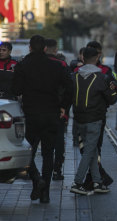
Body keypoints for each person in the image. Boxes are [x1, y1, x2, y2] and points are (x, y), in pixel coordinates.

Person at [11, 35, 74, 204]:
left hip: (31, 115)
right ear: (45, 48)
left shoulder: (22, 65)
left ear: (30, 48)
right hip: (51, 114)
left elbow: (16, 89)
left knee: (28, 152)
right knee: (48, 154)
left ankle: (36, 178)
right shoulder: (55, 66)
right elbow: (71, 87)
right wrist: (64, 106)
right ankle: (45, 193)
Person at [70, 46, 117, 196]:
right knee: (90, 151)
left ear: (82, 58)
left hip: (78, 119)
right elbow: (112, 99)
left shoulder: (75, 76)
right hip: (95, 119)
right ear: (97, 58)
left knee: (92, 149)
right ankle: (78, 182)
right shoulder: (101, 78)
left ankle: (97, 182)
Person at [81, 41, 117, 190]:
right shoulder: (80, 70)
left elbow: (113, 88)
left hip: (98, 114)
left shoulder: (106, 71)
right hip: (86, 114)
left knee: (95, 148)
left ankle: (92, 178)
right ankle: (95, 177)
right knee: (88, 148)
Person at [45, 38, 71, 181]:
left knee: (40, 142)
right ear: (55, 49)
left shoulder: (34, 64)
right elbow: (69, 88)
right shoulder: (61, 65)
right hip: (56, 110)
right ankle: (56, 169)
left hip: (38, 110)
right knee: (58, 142)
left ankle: (35, 171)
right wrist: (64, 108)